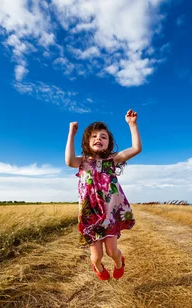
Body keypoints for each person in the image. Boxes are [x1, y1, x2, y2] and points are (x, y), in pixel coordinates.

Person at [65, 109, 142, 280]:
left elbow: (136, 148)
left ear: (109, 143)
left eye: (103, 136)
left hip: (109, 214)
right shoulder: (82, 162)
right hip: (89, 215)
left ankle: (119, 262)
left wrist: (132, 124)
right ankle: (97, 266)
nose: (98, 138)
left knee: (112, 251)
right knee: (97, 256)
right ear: (86, 142)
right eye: (93, 136)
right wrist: (71, 133)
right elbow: (69, 160)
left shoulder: (112, 160)